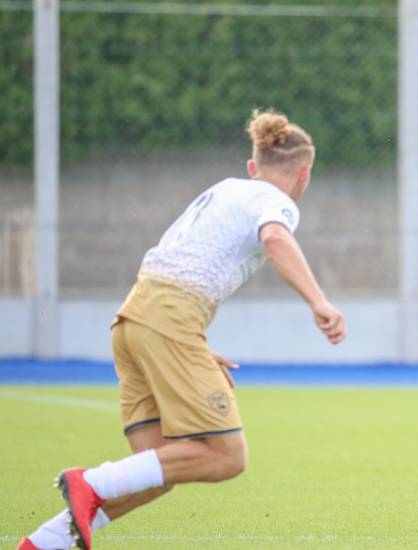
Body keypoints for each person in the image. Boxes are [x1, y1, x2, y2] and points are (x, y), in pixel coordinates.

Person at [19, 109, 346, 550]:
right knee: (226, 456)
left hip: (134, 319)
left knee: (157, 472)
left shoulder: (224, 190)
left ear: (252, 166)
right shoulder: (276, 201)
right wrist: (318, 300)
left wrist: (187, 344)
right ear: (304, 174)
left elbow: (171, 257)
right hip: (166, 320)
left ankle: (40, 544)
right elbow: (274, 239)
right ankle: (88, 480)